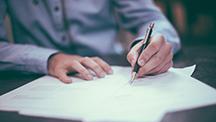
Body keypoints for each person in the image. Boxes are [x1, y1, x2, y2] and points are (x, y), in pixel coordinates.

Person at [0, 0, 180, 83]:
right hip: (32, 78)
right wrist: (50, 59)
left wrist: (149, 45)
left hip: (107, 73)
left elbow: (153, 20)